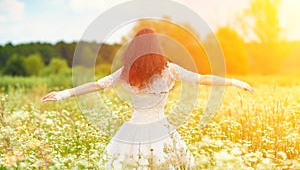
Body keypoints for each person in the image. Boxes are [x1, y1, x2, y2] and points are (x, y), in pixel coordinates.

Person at [42, 28, 254, 169]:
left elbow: (97, 85)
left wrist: (63, 94)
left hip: (132, 131)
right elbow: (203, 79)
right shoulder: (169, 70)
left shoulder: (126, 72)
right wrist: (234, 82)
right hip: (162, 130)